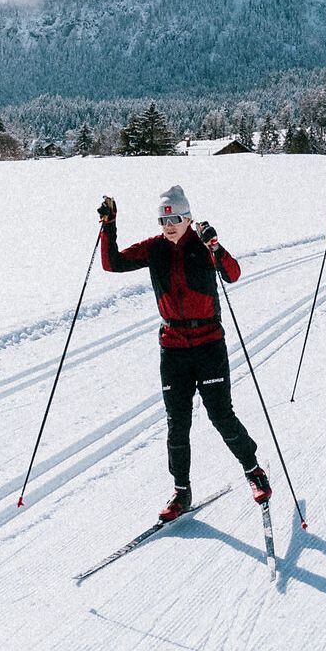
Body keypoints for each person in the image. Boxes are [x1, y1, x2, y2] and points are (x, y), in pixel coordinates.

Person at [100, 185, 269, 521]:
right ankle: (181, 491)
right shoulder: (154, 249)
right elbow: (112, 264)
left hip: (208, 344)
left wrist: (216, 247)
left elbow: (233, 274)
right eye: (164, 219)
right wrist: (109, 226)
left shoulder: (204, 246)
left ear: (188, 217)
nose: (169, 225)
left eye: (176, 217)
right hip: (173, 347)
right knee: (177, 423)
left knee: (221, 415)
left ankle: (254, 470)